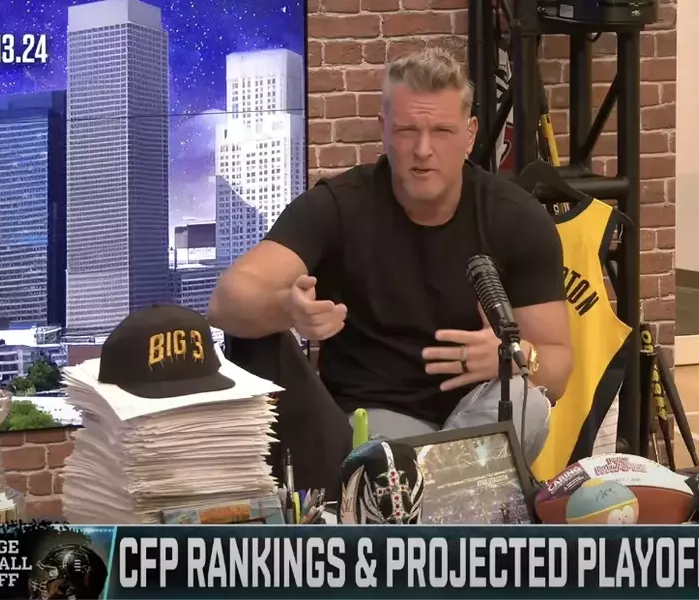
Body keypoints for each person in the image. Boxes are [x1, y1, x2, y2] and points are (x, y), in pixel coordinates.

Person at [208, 48, 573, 464]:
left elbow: (558, 365)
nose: (423, 149)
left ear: (470, 134)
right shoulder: (338, 205)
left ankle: (421, 487)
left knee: (530, 404)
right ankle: (438, 486)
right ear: (383, 130)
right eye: (406, 130)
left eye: (442, 131)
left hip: (479, 415)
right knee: (385, 450)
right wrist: (287, 310)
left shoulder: (517, 218)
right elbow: (225, 302)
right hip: (376, 418)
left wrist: (512, 357)